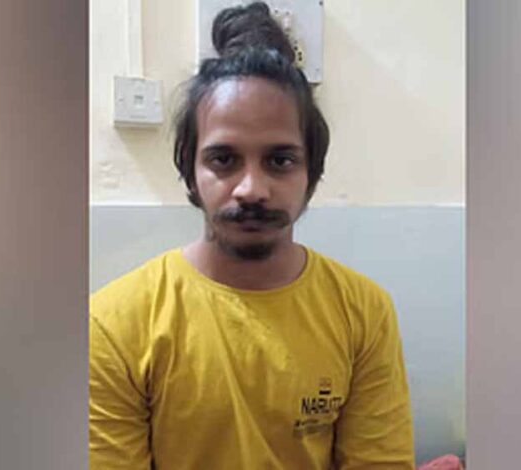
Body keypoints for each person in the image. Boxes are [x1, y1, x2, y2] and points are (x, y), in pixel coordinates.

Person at [89, 2, 415, 468]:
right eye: (223, 160)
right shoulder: (112, 325)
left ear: (312, 172)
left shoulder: (364, 312)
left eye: (280, 160)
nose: (251, 189)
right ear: (189, 170)